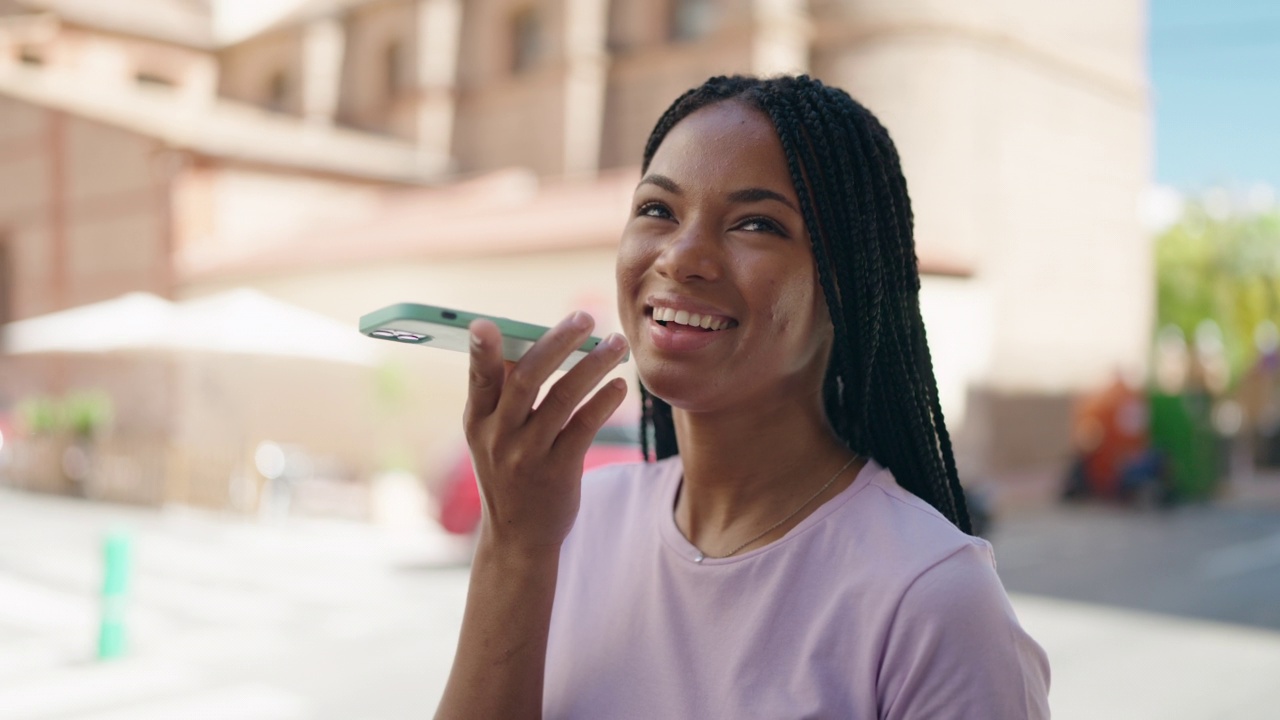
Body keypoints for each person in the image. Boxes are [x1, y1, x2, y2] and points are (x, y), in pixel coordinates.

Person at [437, 74, 1050, 719]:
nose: (681, 256)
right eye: (657, 210)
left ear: (846, 285)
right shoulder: (573, 522)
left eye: (756, 224)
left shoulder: (932, 598)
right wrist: (514, 545)